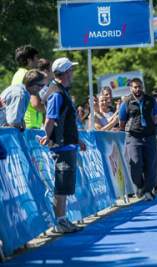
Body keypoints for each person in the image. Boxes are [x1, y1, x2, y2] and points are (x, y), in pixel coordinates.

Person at [39, 57, 86, 234]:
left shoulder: (62, 91)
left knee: (65, 185)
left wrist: (77, 140)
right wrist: (46, 135)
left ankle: (63, 219)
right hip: (61, 145)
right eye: (71, 70)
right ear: (65, 72)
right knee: (61, 184)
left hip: (68, 144)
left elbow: (66, 121)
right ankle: (59, 222)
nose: (72, 73)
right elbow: (50, 118)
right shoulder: (57, 93)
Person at [119, 78, 157, 201]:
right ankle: (140, 186)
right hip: (133, 137)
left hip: (149, 137)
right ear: (131, 88)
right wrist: (130, 130)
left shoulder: (151, 100)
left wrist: (148, 127)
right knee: (135, 163)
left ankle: (148, 191)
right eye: (135, 87)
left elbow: (156, 117)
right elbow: (121, 121)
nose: (138, 89)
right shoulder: (126, 102)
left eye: (139, 87)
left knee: (151, 165)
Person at [12, 45, 45, 129]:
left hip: (21, 123)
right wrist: (52, 109)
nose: (38, 61)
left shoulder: (17, 74)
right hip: (31, 125)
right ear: (29, 60)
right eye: (36, 58)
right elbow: (35, 104)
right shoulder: (30, 76)